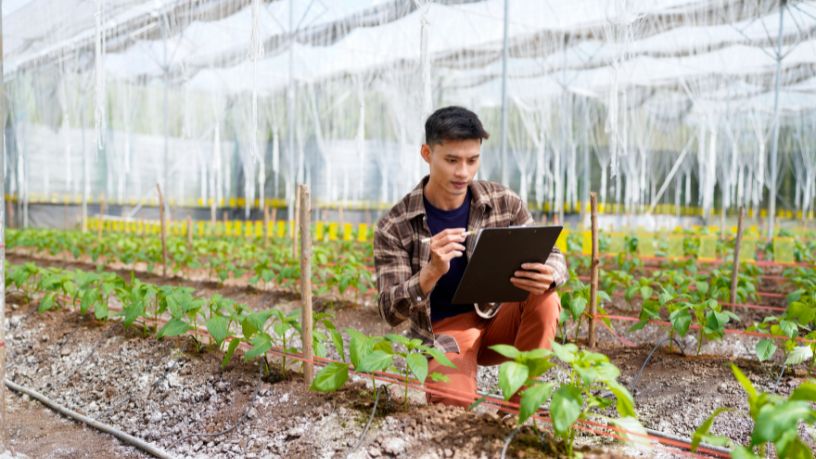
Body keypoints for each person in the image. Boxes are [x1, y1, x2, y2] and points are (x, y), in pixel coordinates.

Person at [373, 106, 568, 407]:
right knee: (451, 405)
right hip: (446, 332)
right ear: (427, 153)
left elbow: (553, 254)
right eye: (452, 160)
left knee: (546, 299)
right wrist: (429, 273)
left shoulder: (503, 202)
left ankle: (519, 410)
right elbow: (389, 311)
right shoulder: (395, 226)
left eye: (472, 160)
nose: (463, 172)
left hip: (498, 316)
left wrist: (550, 272)